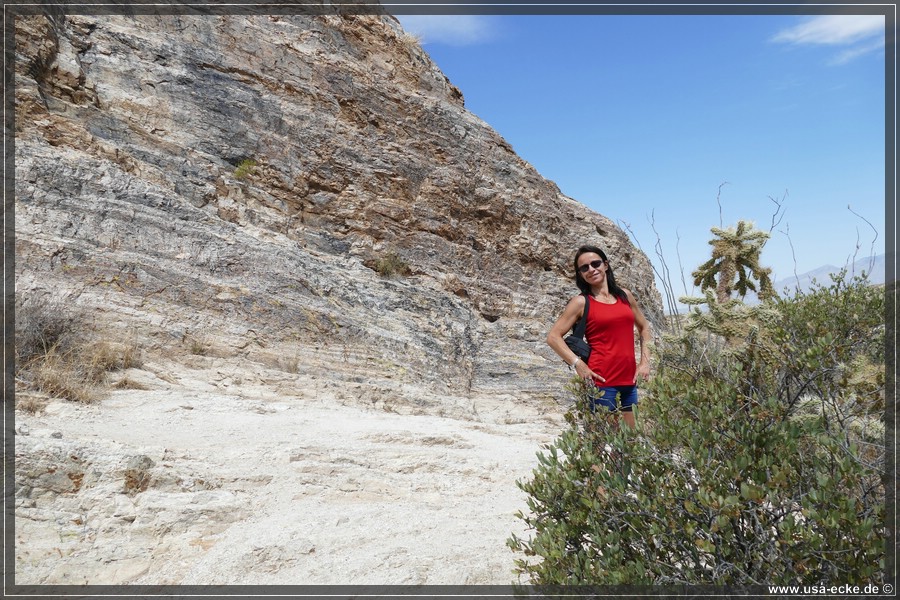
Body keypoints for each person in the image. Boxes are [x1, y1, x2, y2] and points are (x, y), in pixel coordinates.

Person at [547, 245, 652, 429]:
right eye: (584, 267)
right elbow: (553, 337)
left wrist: (645, 362)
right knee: (601, 443)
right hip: (601, 382)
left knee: (631, 441)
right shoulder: (581, 302)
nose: (591, 269)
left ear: (605, 265)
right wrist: (578, 365)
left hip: (629, 381)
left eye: (595, 263)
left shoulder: (624, 296)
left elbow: (644, 327)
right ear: (580, 274)